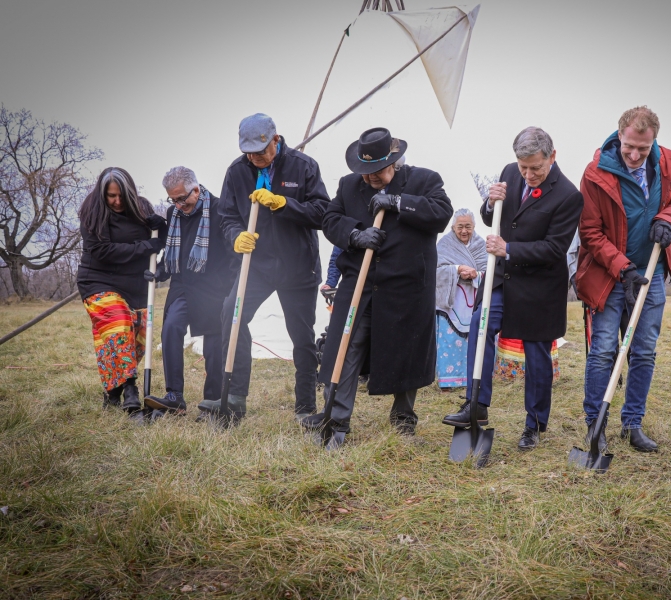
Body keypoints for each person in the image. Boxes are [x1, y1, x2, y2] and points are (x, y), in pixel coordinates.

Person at [304, 127, 453, 439]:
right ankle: (336, 418)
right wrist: (355, 234)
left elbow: (441, 213)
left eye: (376, 171)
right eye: (364, 171)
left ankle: (403, 419)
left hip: (407, 286)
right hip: (360, 282)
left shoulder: (424, 181)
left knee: (406, 352)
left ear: (394, 162)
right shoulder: (347, 186)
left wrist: (398, 201)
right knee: (345, 347)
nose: (369, 178)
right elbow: (329, 220)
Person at [442, 127, 583, 451]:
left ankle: (533, 423)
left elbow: (554, 248)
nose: (529, 174)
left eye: (536, 168)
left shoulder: (568, 196)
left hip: (540, 287)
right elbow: (494, 216)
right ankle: (475, 404)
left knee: (536, 354)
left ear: (552, 157)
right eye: (524, 168)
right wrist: (490, 202)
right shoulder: (509, 173)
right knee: (481, 326)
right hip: (503, 278)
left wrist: (510, 249)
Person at [576, 106, 671, 453]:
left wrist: (667, 220)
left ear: (653, 140)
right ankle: (596, 425)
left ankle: (633, 424)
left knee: (643, 352)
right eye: (629, 147)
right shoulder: (596, 173)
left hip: (651, 272)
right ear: (619, 134)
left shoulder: (667, 164)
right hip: (610, 274)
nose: (635, 154)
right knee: (604, 350)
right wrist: (623, 268)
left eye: (643, 147)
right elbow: (590, 231)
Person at [213, 113, 330, 422]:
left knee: (301, 336)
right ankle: (235, 396)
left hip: (297, 266)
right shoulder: (237, 172)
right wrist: (235, 236)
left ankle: (305, 405)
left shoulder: (303, 167)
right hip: (257, 266)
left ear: (275, 140)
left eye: (261, 152)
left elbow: (322, 213)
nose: (256, 158)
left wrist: (283, 203)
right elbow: (225, 215)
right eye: (249, 153)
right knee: (232, 314)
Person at [142, 167, 238, 415]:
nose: (178, 204)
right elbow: (176, 254)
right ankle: (175, 396)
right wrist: (159, 271)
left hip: (215, 287)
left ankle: (212, 401)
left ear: (196, 189)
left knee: (214, 346)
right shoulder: (174, 213)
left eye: (182, 198)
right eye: (172, 199)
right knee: (171, 328)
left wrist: (231, 287)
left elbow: (231, 255)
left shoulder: (219, 209)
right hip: (183, 286)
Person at [76, 167, 167, 415]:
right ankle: (130, 389)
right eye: (111, 196)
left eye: (120, 196)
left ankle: (113, 392)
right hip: (98, 280)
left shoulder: (142, 208)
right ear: (102, 194)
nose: (116, 201)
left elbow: (158, 240)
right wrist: (145, 246)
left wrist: (163, 228)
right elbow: (102, 251)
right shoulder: (91, 211)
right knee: (118, 322)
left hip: (135, 283)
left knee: (138, 337)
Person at [435, 208, 487, 389]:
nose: (464, 231)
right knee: (449, 341)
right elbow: (436, 271)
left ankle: (473, 379)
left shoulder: (482, 244)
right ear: (453, 227)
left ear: (474, 226)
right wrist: (457, 269)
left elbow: (489, 271)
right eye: (460, 227)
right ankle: (448, 380)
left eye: (468, 227)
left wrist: (476, 274)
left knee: (474, 340)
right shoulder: (444, 245)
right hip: (451, 300)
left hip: (474, 296)